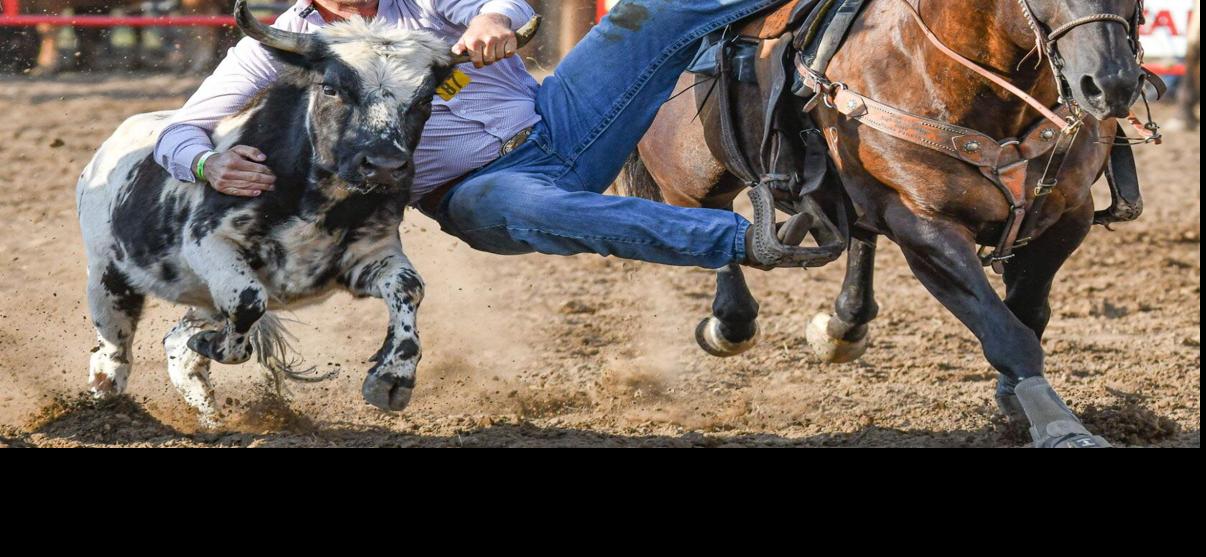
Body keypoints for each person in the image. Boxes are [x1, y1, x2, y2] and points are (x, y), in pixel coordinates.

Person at [154, 0, 837, 270]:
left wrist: (491, 19)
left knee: (645, 10)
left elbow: (503, 2)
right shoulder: (289, 42)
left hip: (558, 117)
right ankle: (748, 242)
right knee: (538, 207)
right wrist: (208, 164)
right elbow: (180, 130)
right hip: (473, 192)